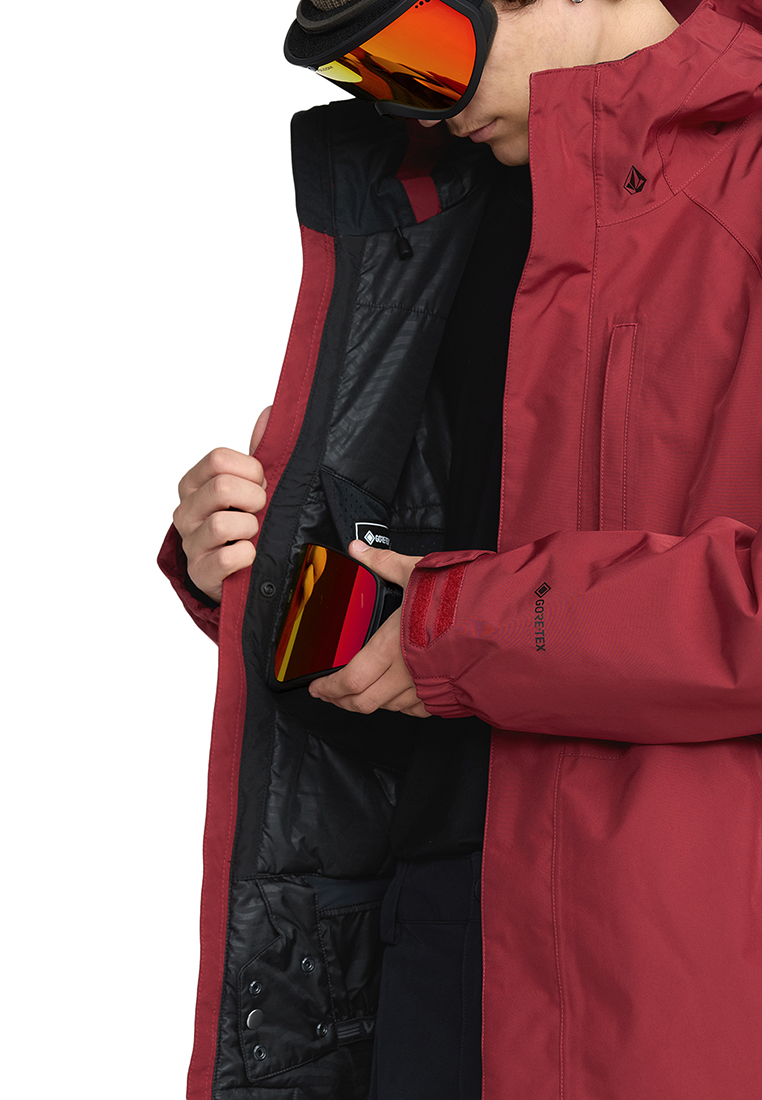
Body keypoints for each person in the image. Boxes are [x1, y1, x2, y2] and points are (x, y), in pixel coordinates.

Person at [161, 1, 762, 1098]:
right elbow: (410, 561)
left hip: (667, 967)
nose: (415, 106)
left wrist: (463, 626)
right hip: (421, 936)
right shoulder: (454, 203)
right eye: (370, 72)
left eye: (424, 50)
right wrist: (252, 563)